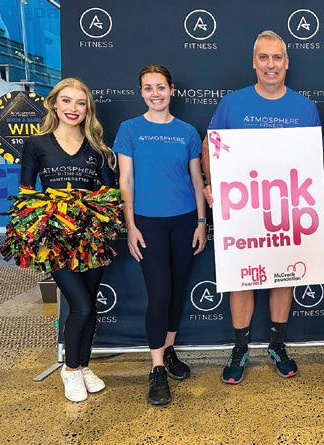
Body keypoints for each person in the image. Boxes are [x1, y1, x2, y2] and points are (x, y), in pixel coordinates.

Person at [201, 31, 321, 384]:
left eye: (277, 57)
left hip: (285, 209)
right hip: (243, 209)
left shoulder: (304, 108)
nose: (271, 65)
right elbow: (209, 146)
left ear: (287, 63)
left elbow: (313, 157)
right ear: (254, 62)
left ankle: (277, 345)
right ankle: (240, 349)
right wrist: (212, 183)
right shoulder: (232, 104)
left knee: (284, 277)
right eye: (264, 57)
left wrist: (319, 184)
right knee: (242, 279)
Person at [19, 78, 116, 402]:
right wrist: (41, 227)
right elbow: (26, 194)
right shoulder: (36, 144)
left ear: (88, 109)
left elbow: (109, 193)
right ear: (54, 104)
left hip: (91, 238)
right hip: (57, 239)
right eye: (67, 101)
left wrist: (94, 209)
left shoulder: (98, 149)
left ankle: (84, 365)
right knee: (81, 305)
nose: (73, 108)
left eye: (80, 103)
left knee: (90, 306)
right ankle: (70, 369)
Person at [114, 65, 207, 405]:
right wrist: (131, 226)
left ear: (172, 89)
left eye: (161, 87)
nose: (155, 93)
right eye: (148, 88)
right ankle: (156, 369)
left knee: (178, 290)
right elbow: (126, 181)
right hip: (147, 223)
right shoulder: (129, 129)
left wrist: (201, 221)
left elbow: (196, 179)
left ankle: (168, 351)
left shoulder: (187, 132)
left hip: (184, 221)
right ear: (141, 92)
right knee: (159, 293)